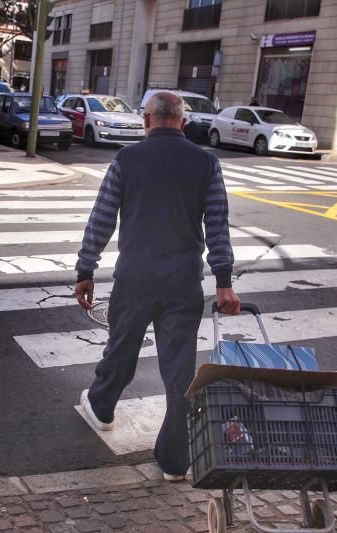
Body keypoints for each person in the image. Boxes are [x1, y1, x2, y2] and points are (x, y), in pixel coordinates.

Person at [73, 91, 241, 481]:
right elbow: (217, 224)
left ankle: (101, 408)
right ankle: (174, 462)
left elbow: (102, 217)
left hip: (134, 279)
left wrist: (86, 269)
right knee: (179, 371)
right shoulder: (206, 163)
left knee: (121, 350)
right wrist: (224, 281)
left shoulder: (127, 159)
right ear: (183, 123)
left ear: (146, 121)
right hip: (182, 283)